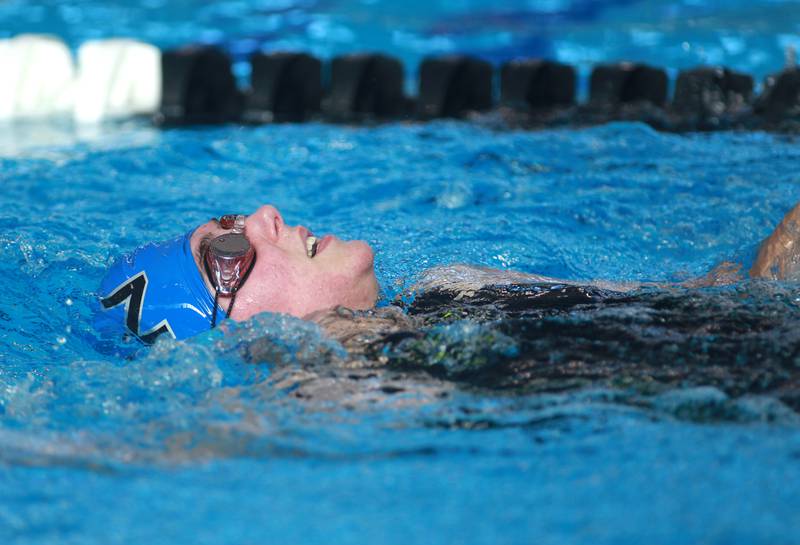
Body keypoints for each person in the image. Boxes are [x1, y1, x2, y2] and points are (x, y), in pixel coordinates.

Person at [95, 201, 800, 345]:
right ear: (237, 331)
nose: (265, 213)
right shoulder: (319, 392)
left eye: (230, 216)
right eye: (228, 254)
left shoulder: (451, 284)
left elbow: (724, 298)